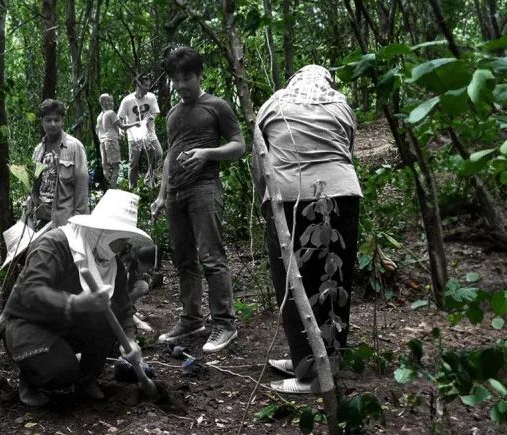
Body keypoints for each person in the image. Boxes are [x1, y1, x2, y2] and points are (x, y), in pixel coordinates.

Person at [252, 65, 362, 394]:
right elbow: (348, 152)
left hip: (288, 198)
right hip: (342, 196)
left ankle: (311, 373)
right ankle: (321, 358)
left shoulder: (273, 105)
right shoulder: (342, 105)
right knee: (334, 279)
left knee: (292, 280)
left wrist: (265, 200)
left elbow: (260, 160)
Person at [2, 189, 151, 407]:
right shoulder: (54, 245)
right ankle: (31, 378)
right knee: (61, 372)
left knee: (109, 313)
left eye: (124, 240)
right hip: (29, 324)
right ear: (102, 231)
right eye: (119, 239)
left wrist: (130, 339)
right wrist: (75, 302)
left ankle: (86, 379)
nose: (121, 246)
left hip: (68, 326)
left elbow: (124, 309)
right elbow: (30, 291)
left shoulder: (114, 266)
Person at [151, 46, 246, 354]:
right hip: (176, 194)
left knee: (212, 257)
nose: (181, 85)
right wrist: (161, 195)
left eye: (187, 78)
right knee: (184, 261)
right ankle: (191, 319)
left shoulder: (216, 106)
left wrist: (208, 153)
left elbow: (239, 145)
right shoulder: (173, 113)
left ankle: (225, 324)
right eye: (175, 80)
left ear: (198, 75)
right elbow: (168, 156)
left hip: (205, 188)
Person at [25, 99, 89, 228]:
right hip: (41, 218)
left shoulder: (74, 147)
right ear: (42, 122)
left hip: (65, 219)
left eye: (57, 120)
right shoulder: (38, 150)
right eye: (48, 120)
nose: (53, 124)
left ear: (62, 121)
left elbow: (82, 185)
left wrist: (78, 218)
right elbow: (35, 185)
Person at [117, 73, 164, 189]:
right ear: (139, 85)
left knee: (158, 155)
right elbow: (120, 117)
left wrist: (151, 118)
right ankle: (132, 188)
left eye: (149, 85)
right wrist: (120, 129)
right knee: (134, 163)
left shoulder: (151, 97)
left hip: (149, 133)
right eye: (146, 86)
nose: (148, 88)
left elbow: (155, 113)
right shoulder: (127, 100)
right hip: (134, 135)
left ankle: (149, 181)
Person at [95, 93, 137, 189]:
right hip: (110, 141)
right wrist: (136, 123)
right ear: (103, 102)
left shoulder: (101, 116)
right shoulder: (110, 113)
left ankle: (107, 187)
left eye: (112, 101)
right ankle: (112, 187)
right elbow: (122, 126)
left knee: (106, 166)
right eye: (109, 101)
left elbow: (98, 131)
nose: (111, 103)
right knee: (115, 165)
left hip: (103, 142)